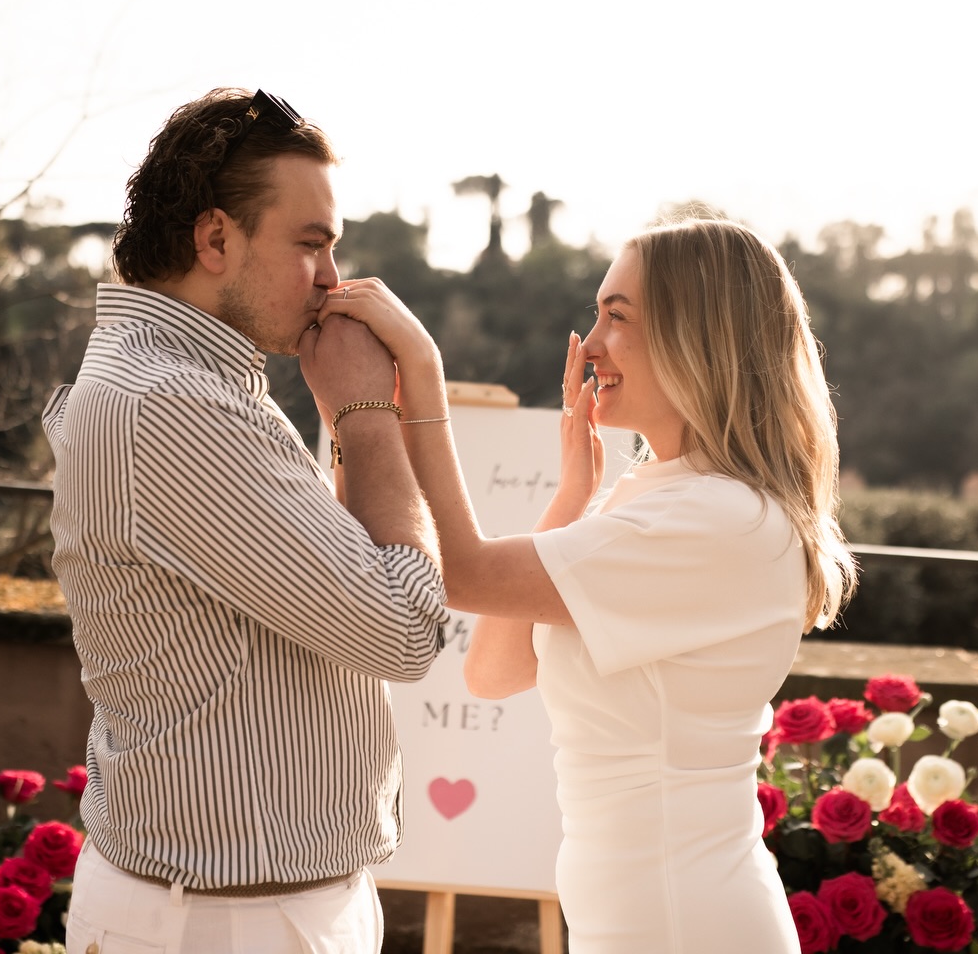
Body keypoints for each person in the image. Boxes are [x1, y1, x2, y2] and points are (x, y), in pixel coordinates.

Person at [317, 218, 857, 952]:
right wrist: (573, 496)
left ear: (694, 338)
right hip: (636, 918)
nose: (591, 342)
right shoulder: (659, 498)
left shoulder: (718, 518)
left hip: (683, 924)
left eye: (618, 317)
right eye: (597, 312)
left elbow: (464, 572)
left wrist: (418, 370)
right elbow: (494, 672)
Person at [43, 88, 448, 954]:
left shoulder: (169, 381)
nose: (334, 279)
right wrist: (368, 411)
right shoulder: (177, 406)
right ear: (216, 238)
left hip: (233, 905)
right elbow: (406, 631)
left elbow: (339, 584)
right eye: (311, 244)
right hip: (232, 920)